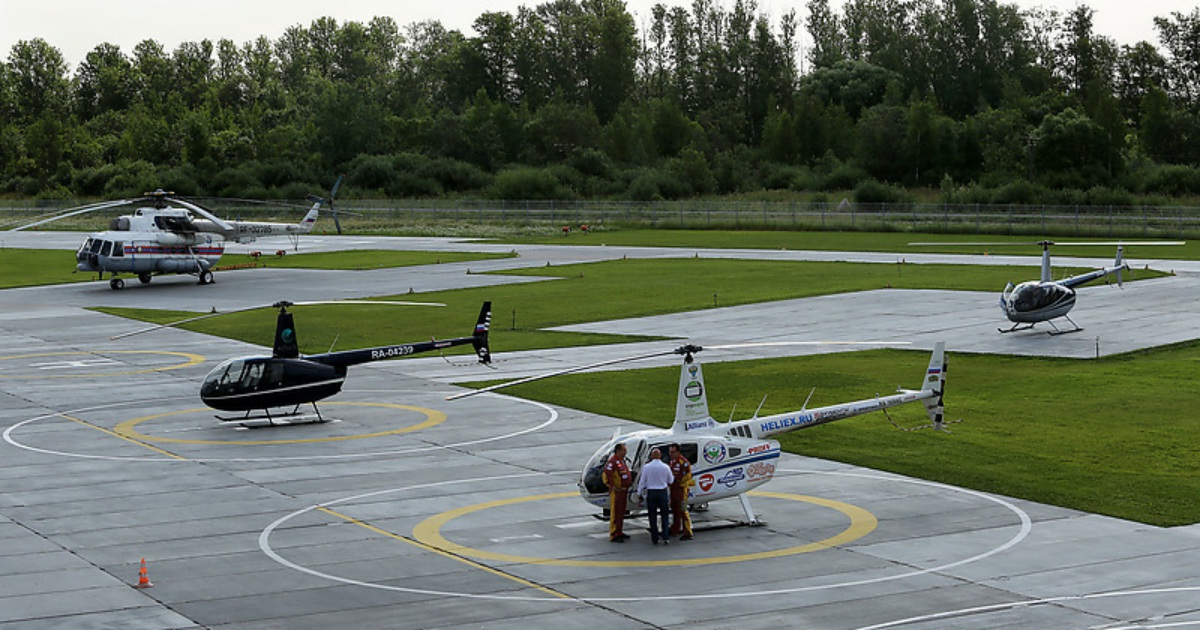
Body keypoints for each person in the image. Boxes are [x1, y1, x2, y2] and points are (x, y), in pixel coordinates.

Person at [637, 447, 674, 545]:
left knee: (652, 516)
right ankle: (665, 537)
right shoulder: (666, 467)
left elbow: (642, 482)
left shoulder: (647, 467)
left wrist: (639, 494)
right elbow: (671, 480)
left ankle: (655, 538)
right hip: (662, 492)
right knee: (664, 515)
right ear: (660, 456)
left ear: (651, 456)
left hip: (651, 492)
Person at [603, 442, 633, 542]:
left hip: (624, 491)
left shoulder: (621, 461)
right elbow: (606, 475)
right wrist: (612, 486)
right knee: (615, 513)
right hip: (617, 492)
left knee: (621, 512)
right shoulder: (613, 462)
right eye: (624, 450)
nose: (625, 452)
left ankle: (619, 531)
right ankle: (614, 534)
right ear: (618, 451)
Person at [667, 443, 694, 541]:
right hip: (673, 490)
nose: (671, 454)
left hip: (681, 490)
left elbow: (687, 476)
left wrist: (677, 482)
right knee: (674, 509)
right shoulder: (672, 461)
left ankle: (688, 532)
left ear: (678, 452)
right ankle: (675, 528)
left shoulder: (684, 462)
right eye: (670, 452)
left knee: (683, 510)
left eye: (673, 452)